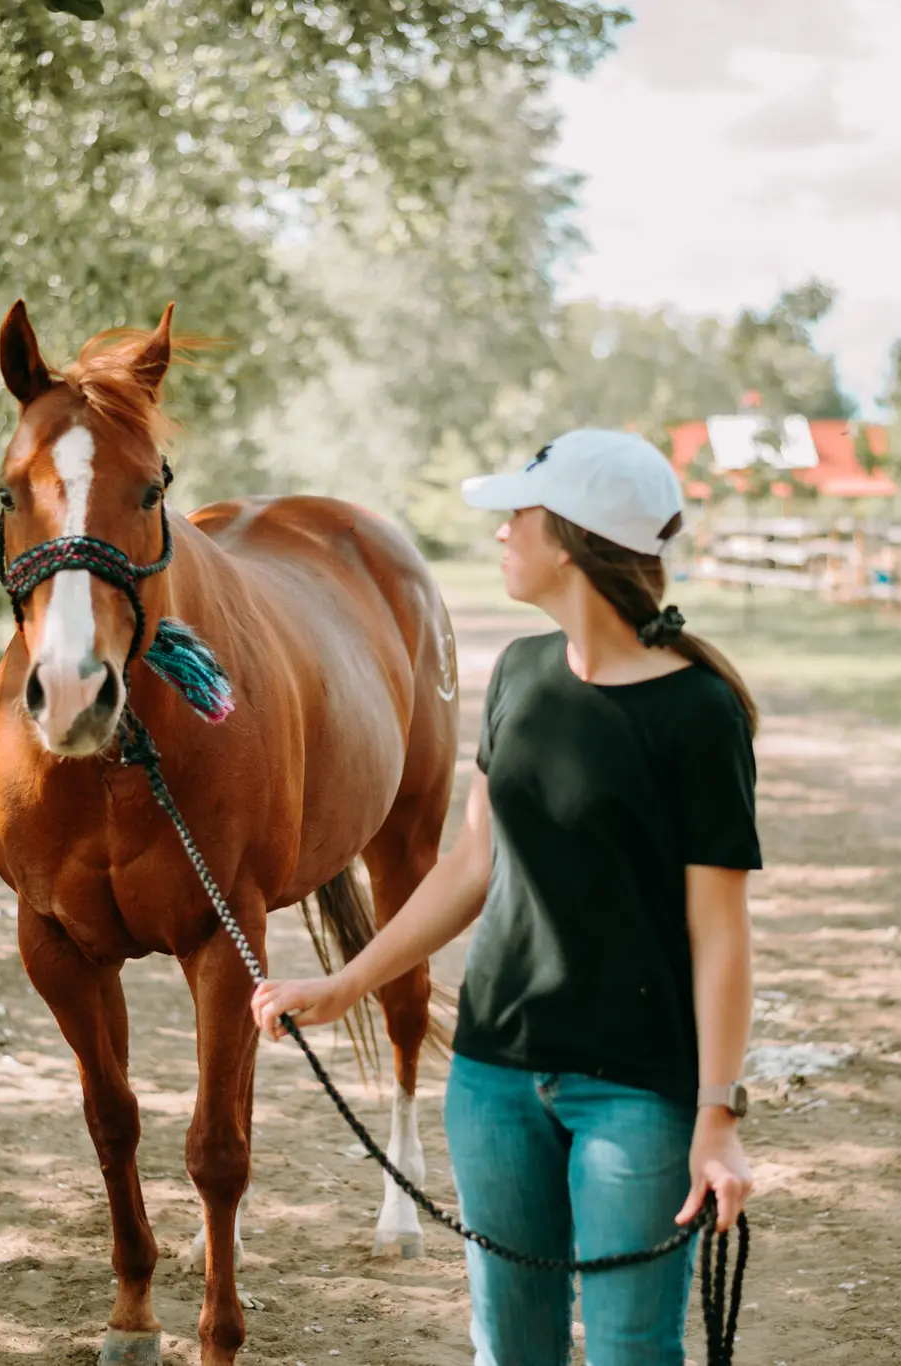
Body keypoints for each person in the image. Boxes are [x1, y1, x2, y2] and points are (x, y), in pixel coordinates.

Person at [250, 428, 760, 1366]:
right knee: (508, 1352)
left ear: (567, 539)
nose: (498, 536)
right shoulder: (521, 673)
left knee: (629, 1354)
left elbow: (720, 935)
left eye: (513, 517)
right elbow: (471, 864)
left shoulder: (700, 714)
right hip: (493, 1082)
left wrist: (717, 1117)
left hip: (636, 1095)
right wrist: (346, 984)